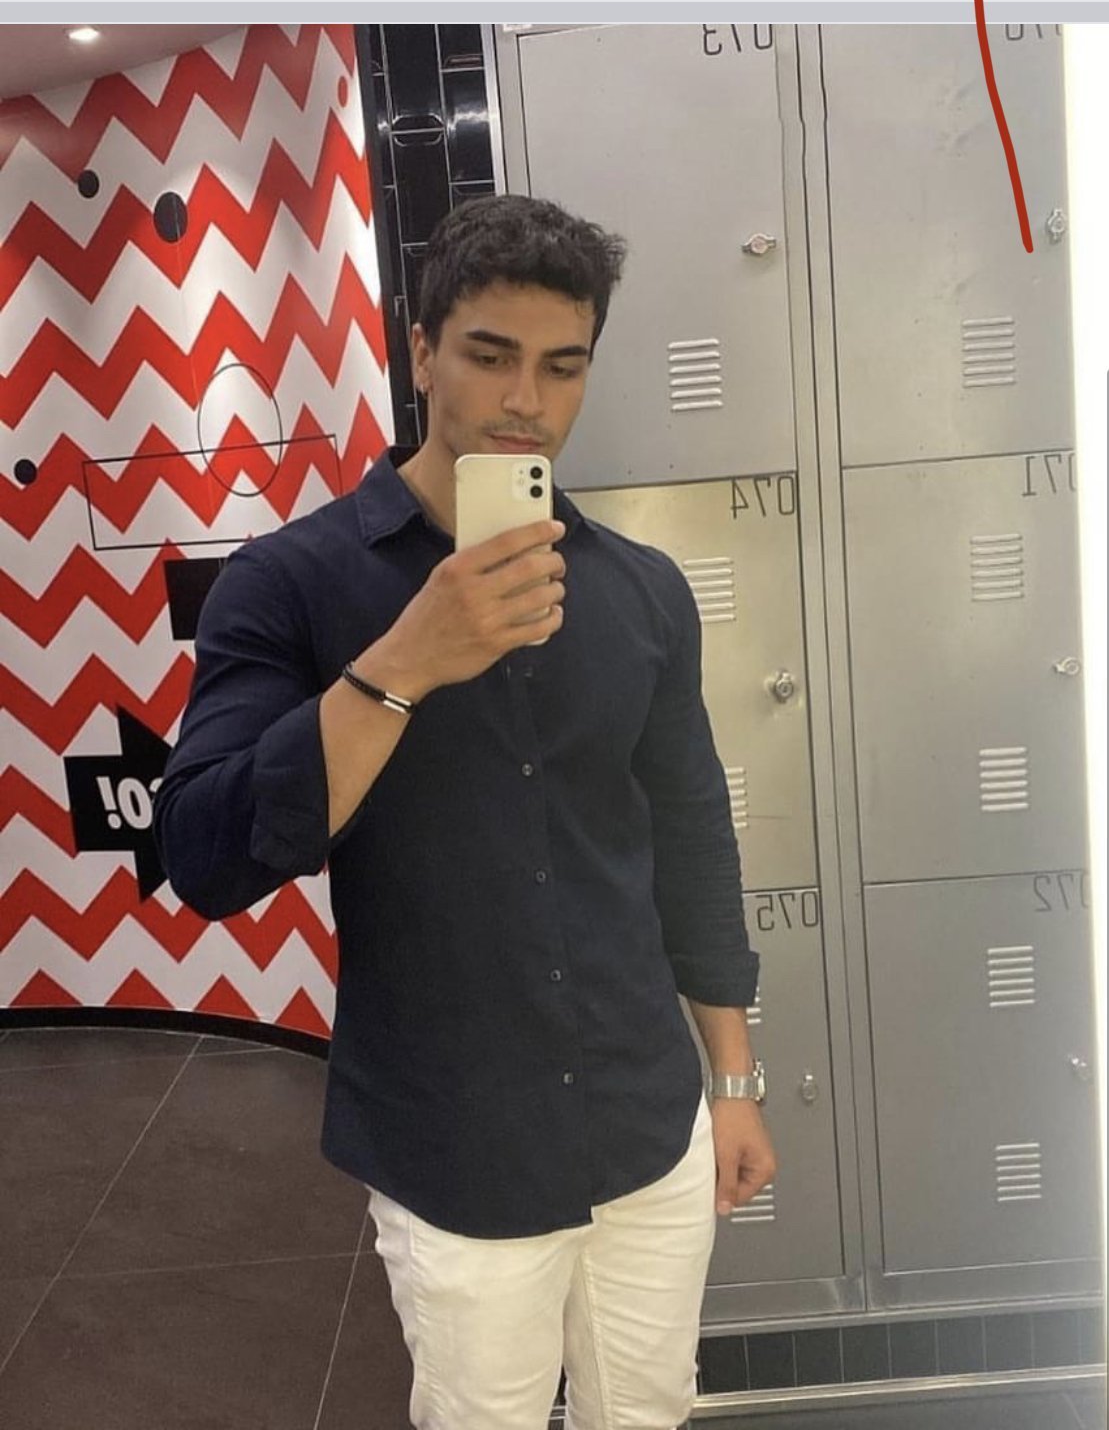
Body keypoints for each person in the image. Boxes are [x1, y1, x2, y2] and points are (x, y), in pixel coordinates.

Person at [154, 193, 777, 1430]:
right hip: (453, 1140)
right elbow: (209, 855)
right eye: (489, 355)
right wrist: (403, 663)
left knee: (649, 1411)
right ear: (420, 349)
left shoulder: (643, 592)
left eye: (561, 366)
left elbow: (689, 839)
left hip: (645, 1120)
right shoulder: (288, 583)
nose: (523, 401)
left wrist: (735, 1077)